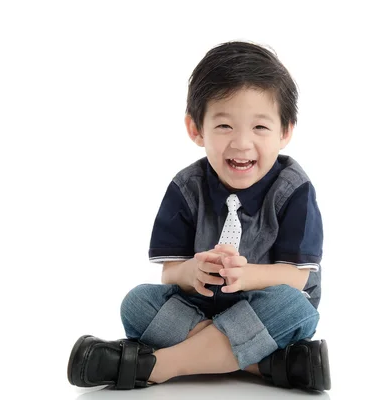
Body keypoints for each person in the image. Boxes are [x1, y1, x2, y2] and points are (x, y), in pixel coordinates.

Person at [67, 41, 331, 392]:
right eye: (224, 126)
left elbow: (295, 279)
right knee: (136, 303)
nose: (241, 143)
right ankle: (269, 364)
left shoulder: (294, 189)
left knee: (295, 309)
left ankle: (158, 365)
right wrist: (193, 271)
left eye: (260, 128)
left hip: (266, 305)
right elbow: (170, 272)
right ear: (196, 129)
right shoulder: (187, 188)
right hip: (201, 308)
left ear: (285, 132)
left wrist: (246, 274)